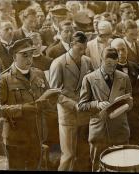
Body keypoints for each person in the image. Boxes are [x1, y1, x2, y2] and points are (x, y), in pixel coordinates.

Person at [0, 37, 51, 170]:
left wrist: (50, 101)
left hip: (37, 134)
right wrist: (23, 109)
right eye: (24, 55)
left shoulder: (39, 74)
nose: (29, 59)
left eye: (31, 54)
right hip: (16, 137)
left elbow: (48, 99)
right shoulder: (3, 79)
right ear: (14, 57)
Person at [77, 47, 133, 171]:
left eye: (115, 65)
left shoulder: (124, 77)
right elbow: (81, 106)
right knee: (98, 166)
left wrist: (122, 106)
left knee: (122, 165)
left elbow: (130, 103)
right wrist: (97, 104)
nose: (112, 68)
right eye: (108, 64)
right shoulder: (90, 78)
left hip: (120, 131)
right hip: (100, 131)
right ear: (101, 60)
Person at [49, 31, 93, 171]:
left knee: (84, 153)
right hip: (68, 114)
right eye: (79, 48)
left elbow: (92, 84)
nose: (83, 51)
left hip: (85, 114)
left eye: (84, 48)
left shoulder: (87, 61)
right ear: (71, 45)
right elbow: (54, 94)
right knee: (68, 155)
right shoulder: (58, 63)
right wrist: (74, 105)